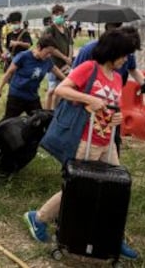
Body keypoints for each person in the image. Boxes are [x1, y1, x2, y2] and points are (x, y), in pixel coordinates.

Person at [23, 29, 139, 260]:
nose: (126, 59)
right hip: (85, 140)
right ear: (113, 51)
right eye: (124, 54)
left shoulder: (117, 77)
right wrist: (89, 99)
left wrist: (116, 117)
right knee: (79, 188)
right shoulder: (89, 68)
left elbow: (111, 107)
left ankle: (114, 238)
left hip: (107, 141)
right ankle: (38, 218)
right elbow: (62, 89)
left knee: (116, 190)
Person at [0, 35, 65, 119]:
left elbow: (57, 71)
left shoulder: (47, 61)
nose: (49, 55)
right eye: (47, 52)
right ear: (38, 47)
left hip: (32, 97)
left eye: (51, 53)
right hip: (16, 96)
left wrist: (71, 82)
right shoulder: (23, 56)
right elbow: (9, 72)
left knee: (39, 121)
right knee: (8, 121)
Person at [43, 4, 73, 110]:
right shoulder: (50, 29)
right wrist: (64, 57)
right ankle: (47, 112)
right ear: (53, 16)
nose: (59, 16)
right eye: (57, 14)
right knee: (51, 89)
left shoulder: (66, 30)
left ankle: (55, 110)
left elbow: (70, 44)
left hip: (65, 64)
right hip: (53, 63)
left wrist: (69, 59)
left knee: (61, 89)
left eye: (61, 14)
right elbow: (50, 47)